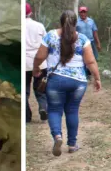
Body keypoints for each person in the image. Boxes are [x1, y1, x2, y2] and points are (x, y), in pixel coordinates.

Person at [33, 10, 101, 156]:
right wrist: (97, 78)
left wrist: (36, 69)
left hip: (56, 80)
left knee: (55, 110)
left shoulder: (50, 36)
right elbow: (90, 61)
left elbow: (39, 56)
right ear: (76, 23)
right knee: (72, 110)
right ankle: (72, 144)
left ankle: (57, 136)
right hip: (78, 83)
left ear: (60, 22)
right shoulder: (82, 39)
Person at [25, 3, 48, 123]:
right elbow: (46, 45)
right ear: (31, 13)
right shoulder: (39, 26)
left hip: (25, 64)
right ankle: (43, 107)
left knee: (25, 91)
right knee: (41, 89)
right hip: (40, 62)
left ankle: (26, 116)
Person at [76, 6, 101, 79]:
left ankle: (89, 72)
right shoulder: (77, 22)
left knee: (94, 57)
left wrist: (98, 43)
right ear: (79, 13)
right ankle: (85, 74)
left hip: (91, 42)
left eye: (84, 12)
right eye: (81, 12)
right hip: (81, 43)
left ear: (86, 13)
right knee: (82, 58)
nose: (83, 13)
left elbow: (95, 32)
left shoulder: (91, 21)